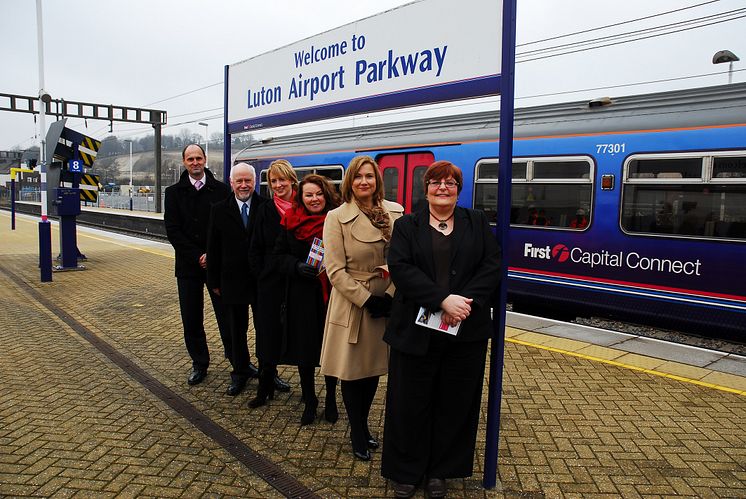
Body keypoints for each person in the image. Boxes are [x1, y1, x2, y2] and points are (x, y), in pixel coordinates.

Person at [381, 160, 501, 498]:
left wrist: (464, 304)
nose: (442, 188)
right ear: (426, 188)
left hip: (465, 330)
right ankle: (406, 472)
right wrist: (442, 300)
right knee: (409, 402)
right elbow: (401, 268)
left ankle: (439, 472)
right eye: (436, 182)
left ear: (459, 189)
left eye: (450, 182)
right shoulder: (407, 225)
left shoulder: (476, 222)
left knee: (454, 403)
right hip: (415, 330)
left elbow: (491, 265)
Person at [320, 155, 404, 461]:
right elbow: (335, 271)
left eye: (369, 176)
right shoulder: (336, 217)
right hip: (356, 305)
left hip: (387, 304)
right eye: (358, 177)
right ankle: (357, 430)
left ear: (377, 180)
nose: (364, 182)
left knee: (372, 372)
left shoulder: (395, 212)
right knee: (353, 373)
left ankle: (364, 427)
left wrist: (392, 295)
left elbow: (405, 261)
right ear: (349, 183)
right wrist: (368, 300)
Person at [273, 174, 342, 425]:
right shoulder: (289, 221)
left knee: (330, 349)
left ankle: (332, 399)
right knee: (305, 350)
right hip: (301, 295)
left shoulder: (337, 220)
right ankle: (310, 400)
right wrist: (296, 266)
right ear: (301, 198)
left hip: (333, 295)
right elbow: (277, 256)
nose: (314, 199)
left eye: (319, 194)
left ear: (327, 195)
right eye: (309, 195)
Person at [164, 144, 231, 386]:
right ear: (184, 162)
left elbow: (227, 227)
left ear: (205, 160)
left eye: (198, 158)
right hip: (188, 266)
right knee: (191, 318)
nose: (195, 162)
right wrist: (197, 256)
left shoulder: (222, 190)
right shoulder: (173, 193)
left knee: (227, 315)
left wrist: (212, 255)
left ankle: (237, 360)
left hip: (217, 265)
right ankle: (199, 363)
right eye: (190, 159)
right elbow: (173, 231)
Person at [206, 163, 265, 396]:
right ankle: (239, 372)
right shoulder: (219, 210)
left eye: (247, 181)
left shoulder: (266, 207)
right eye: (238, 181)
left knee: (265, 330)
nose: (243, 185)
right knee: (235, 331)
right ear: (231, 183)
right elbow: (213, 247)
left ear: (254, 182)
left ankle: (268, 373)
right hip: (231, 281)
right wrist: (214, 282)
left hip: (260, 282)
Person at [246, 159, 297, 408]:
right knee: (266, 334)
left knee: (298, 332)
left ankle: (309, 389)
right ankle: (265, 385)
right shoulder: (265, 209)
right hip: (269, 283)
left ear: (292, 180)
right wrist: (261, 275)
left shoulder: (303, 206)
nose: (278, 185)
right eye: (273, 181)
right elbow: (253, 246)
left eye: (282, 180)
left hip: (297, 281)